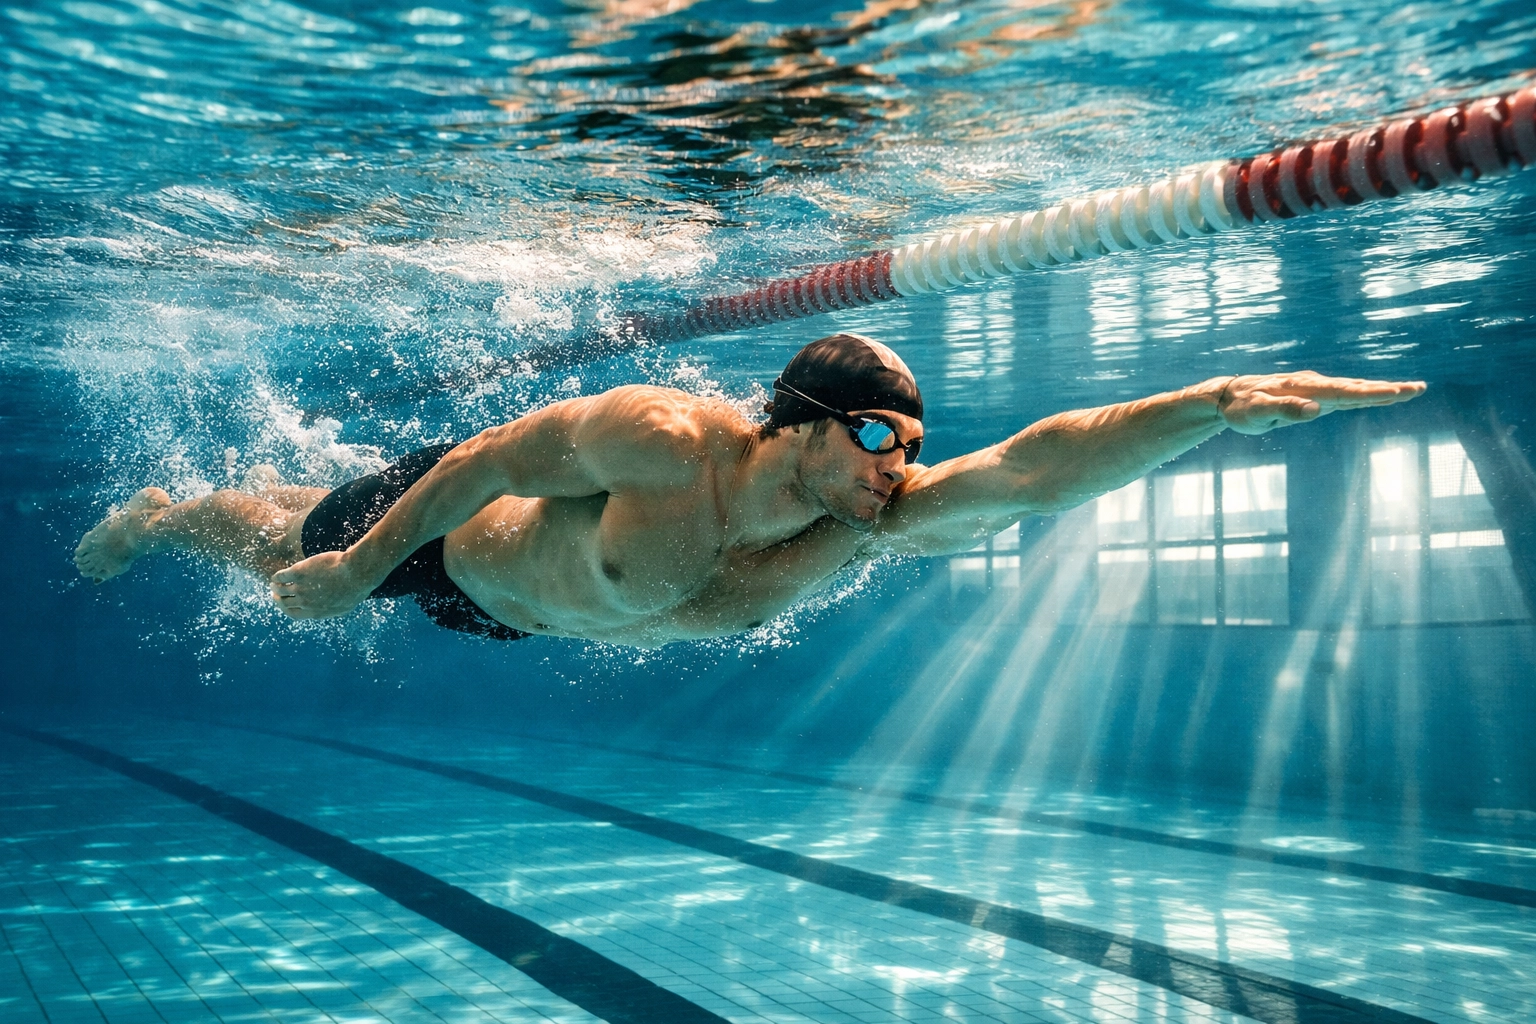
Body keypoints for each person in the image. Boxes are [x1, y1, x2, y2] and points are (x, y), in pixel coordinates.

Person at [75, 334, 1424, 647]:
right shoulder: (665, 444)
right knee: (273, 545)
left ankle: (240, 509)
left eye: (912, 447)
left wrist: (1207, 407)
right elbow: (482, 460)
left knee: (284, 534)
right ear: (809, 423)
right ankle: (165, 514)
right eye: (885, 436)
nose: (904, 467)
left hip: (513, 616)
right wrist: (359, 566)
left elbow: (1035, 467)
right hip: (446, 541)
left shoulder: (857, 531)